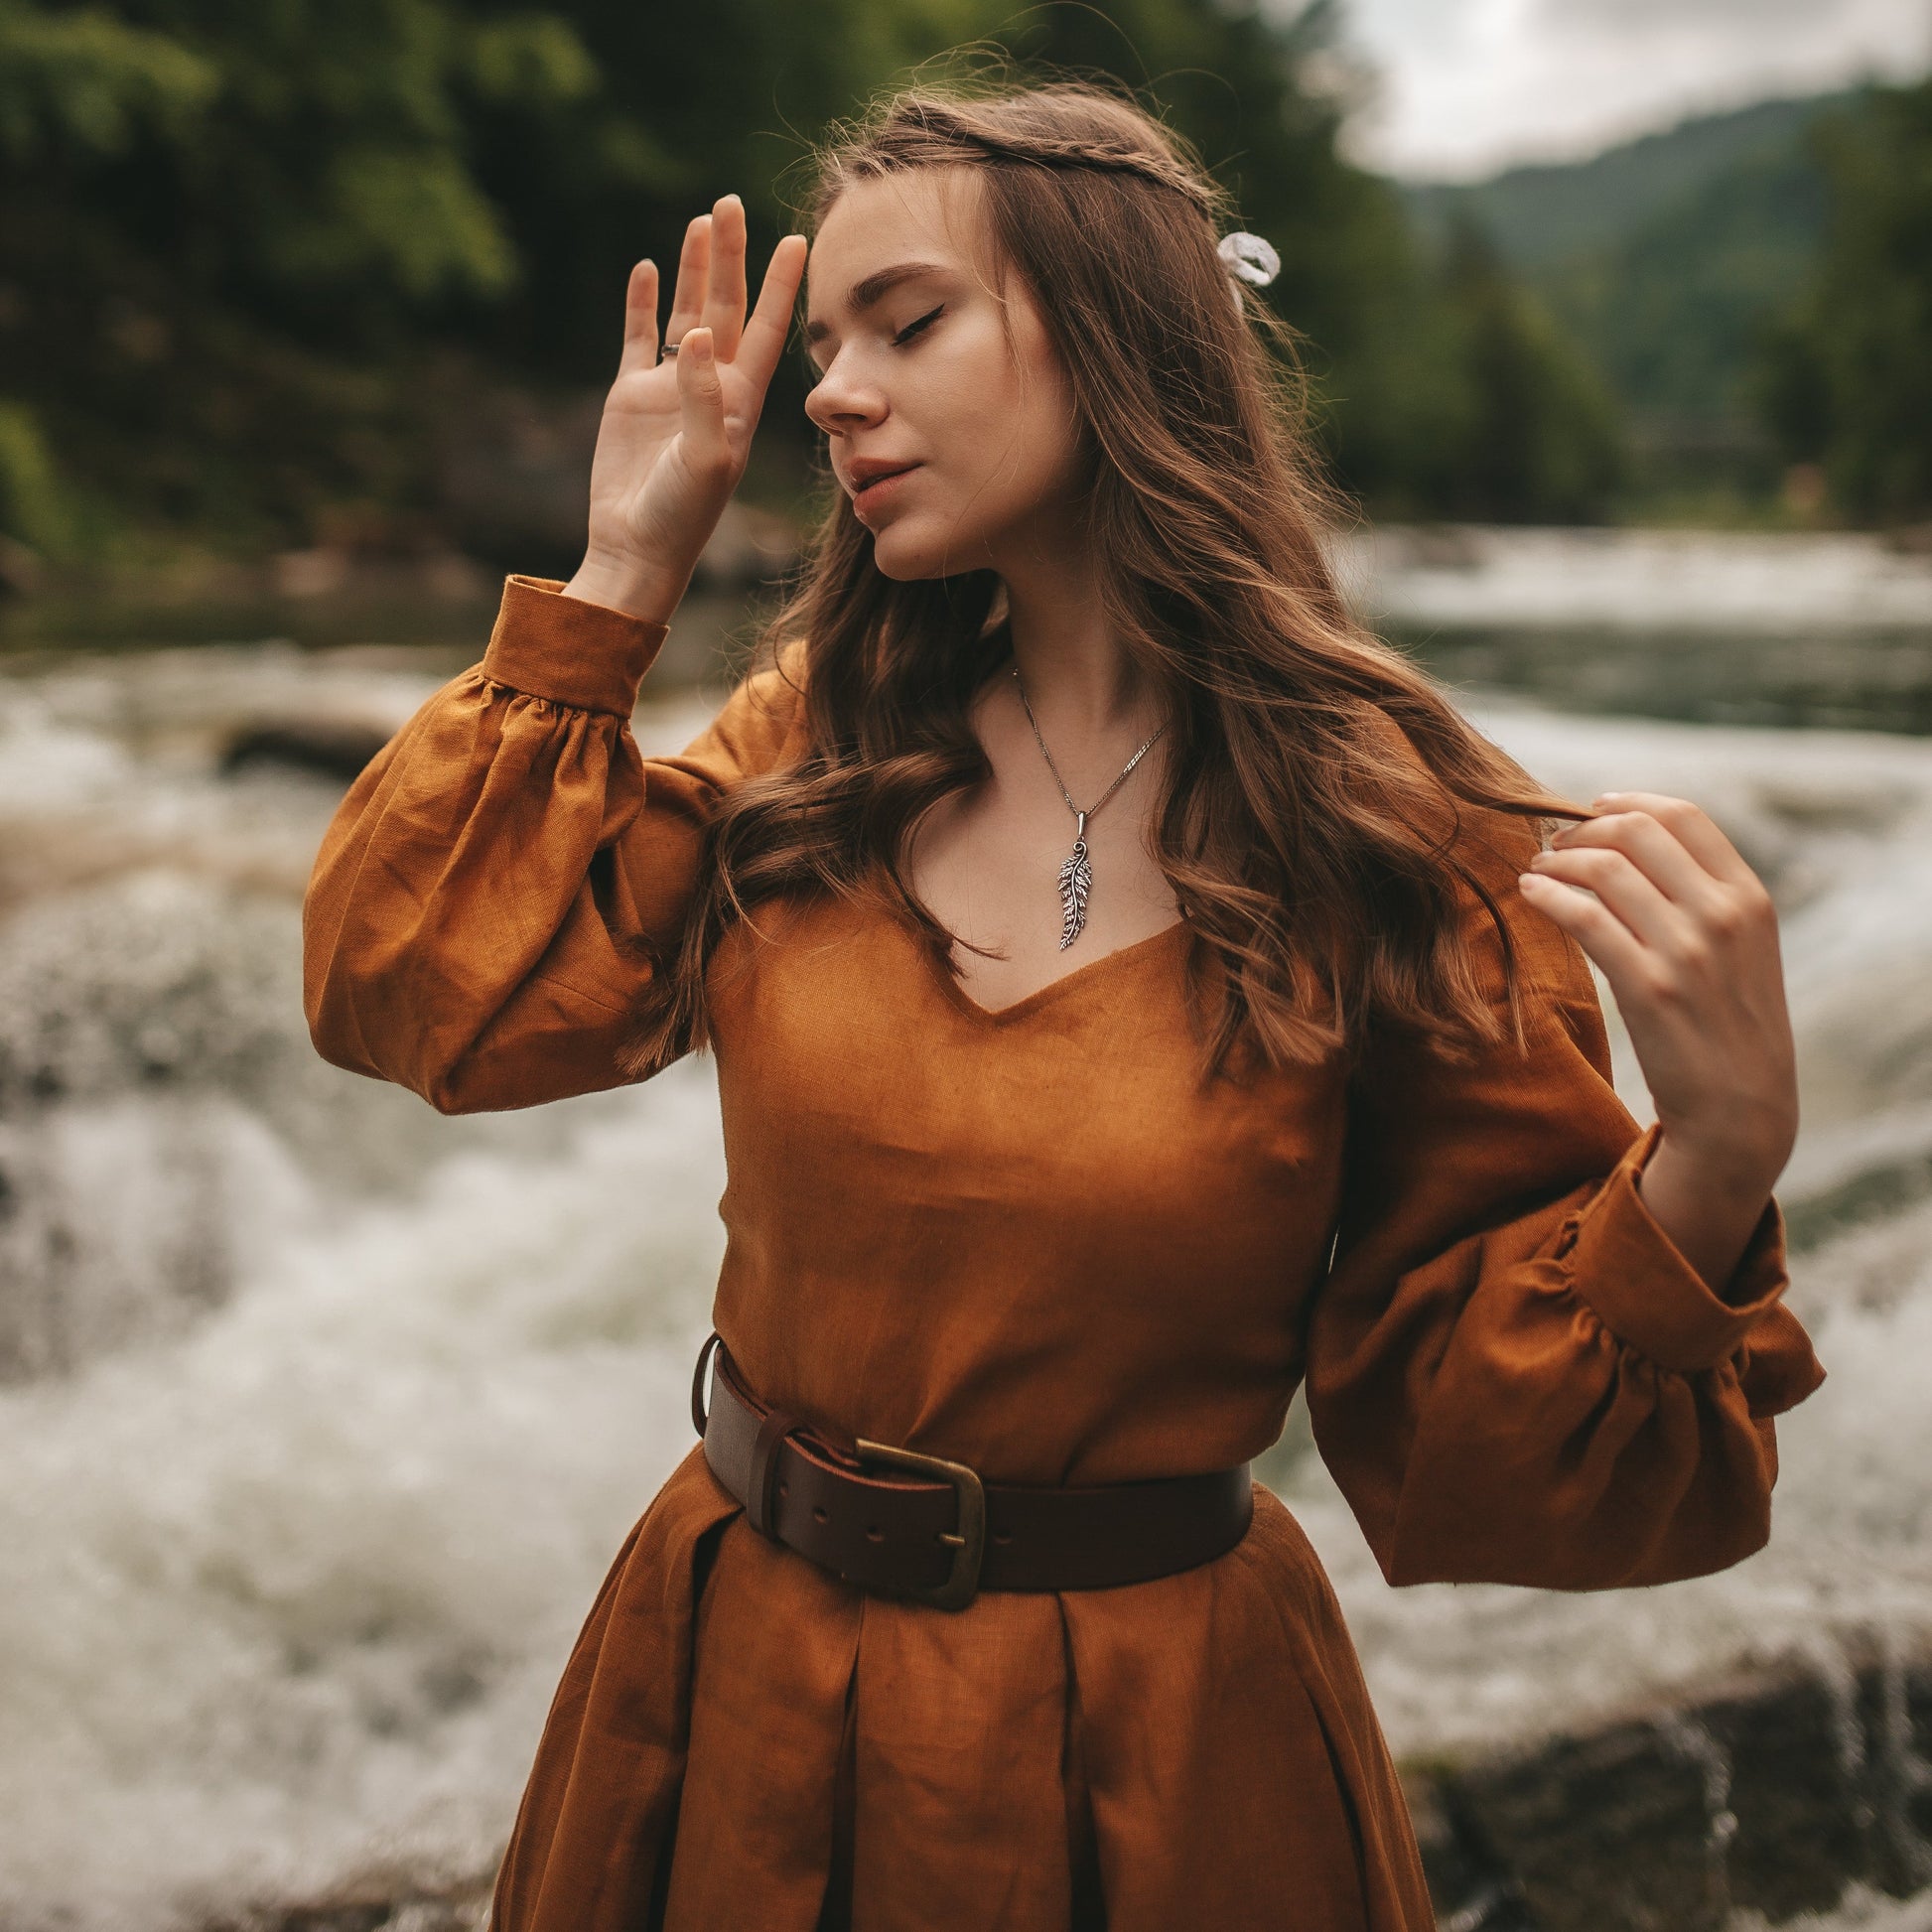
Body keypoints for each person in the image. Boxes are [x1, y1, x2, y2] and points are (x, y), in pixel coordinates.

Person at [304, 80, 1825, 1932]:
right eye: (826, 343)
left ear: (1113, 329)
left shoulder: (1399, 834)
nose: (830, 391)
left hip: (1160, 1757)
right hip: (730, 1691)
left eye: (908, 322)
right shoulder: (820, 739)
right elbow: (419, 998)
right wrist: (622, 571)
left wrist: (1718, 1158)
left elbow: (1480, 1458)